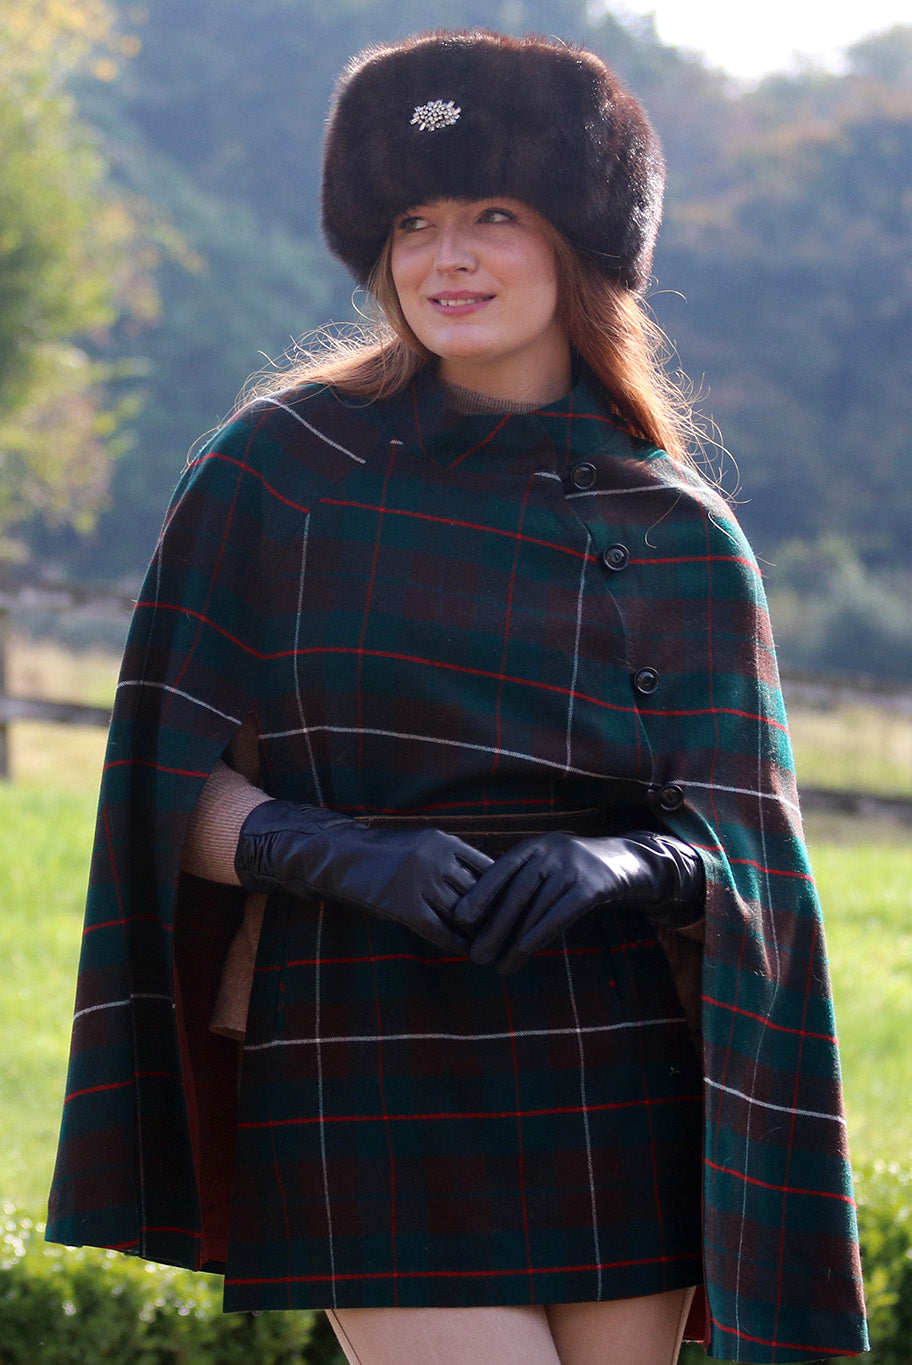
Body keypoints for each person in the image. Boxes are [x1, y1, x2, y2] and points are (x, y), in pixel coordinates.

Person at [47, 29, 868, 1365]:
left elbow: (748, 851)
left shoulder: (679, 528)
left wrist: (626, 857)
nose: (446, 258)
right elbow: (158, 785)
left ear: (584, 245)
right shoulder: (275, 471)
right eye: (414, 222)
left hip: (616, 1061)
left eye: (495, 214)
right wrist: (340, 852)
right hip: (361, 1038)